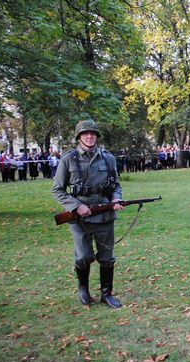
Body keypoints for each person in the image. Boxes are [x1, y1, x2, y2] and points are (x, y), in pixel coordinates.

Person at [51, 119, 124, 308]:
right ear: (79, 137)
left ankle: (106, 294)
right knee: (84, 256)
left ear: (97, 136)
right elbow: (57, 190)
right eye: (85, 134)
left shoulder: (108, 158)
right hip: (80, 219)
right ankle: (83, 287)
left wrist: (116, 199)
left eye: (93, 134)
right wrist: (76, 206)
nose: (89, 136)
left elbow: (115, 185)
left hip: (104, 217)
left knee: (107, 257)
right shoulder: (68, 159)